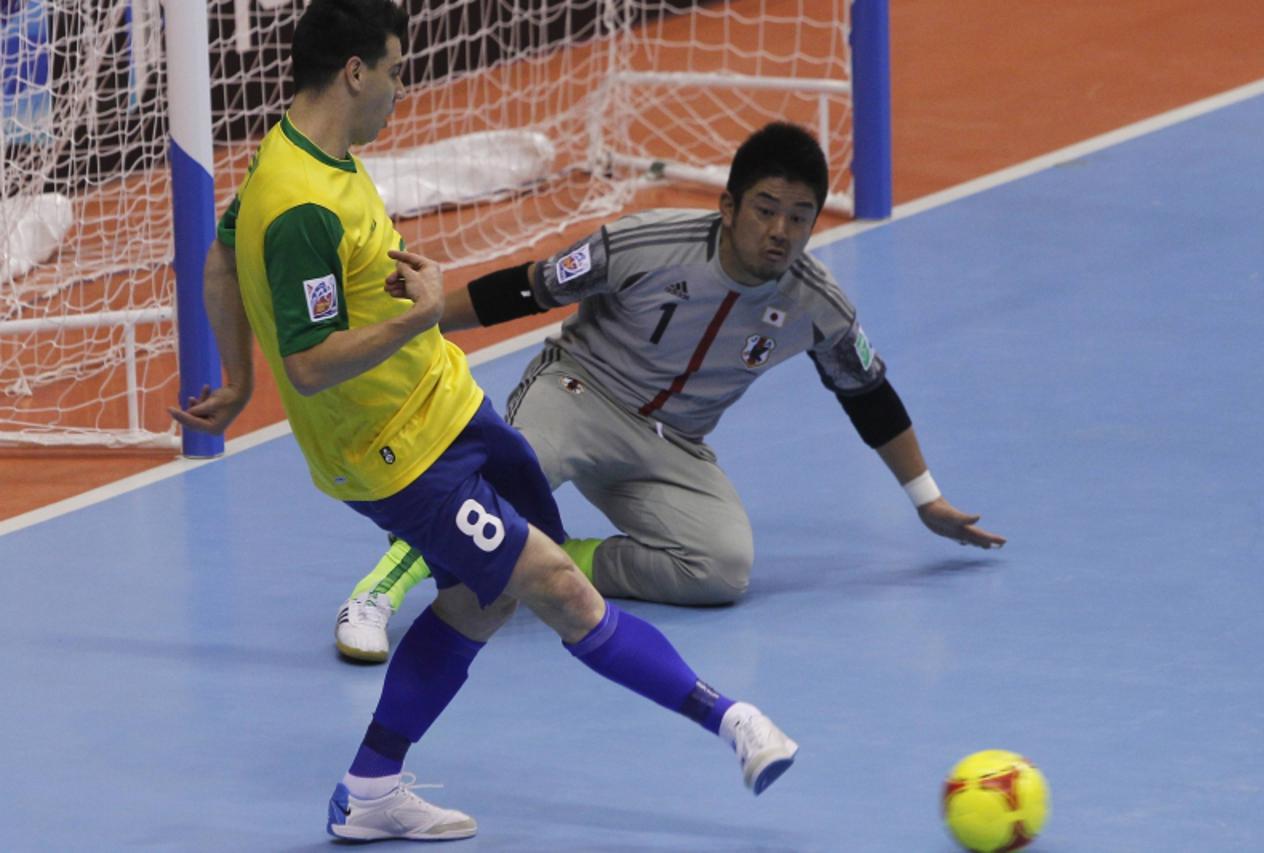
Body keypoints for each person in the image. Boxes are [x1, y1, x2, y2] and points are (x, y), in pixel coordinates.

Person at [169, 0, 798, 841]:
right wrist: (416, 316)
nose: (402, 87)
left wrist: (236, 378)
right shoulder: (301, 206)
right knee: (561, 590)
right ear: (355, 71)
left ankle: (371, 787)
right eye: (394, 69)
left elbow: (219, 251)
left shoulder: (308, 157)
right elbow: (313, 365)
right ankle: (735, 724)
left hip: (449, 410)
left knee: (482, 600)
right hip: (394, 455)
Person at [333, 120, 1008, 662]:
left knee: (723, 566)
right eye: (767, 209)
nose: (781, 230)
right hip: (578, 393)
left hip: (673, 445)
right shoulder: (646, 244)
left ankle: (558, 560)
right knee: (508, 476)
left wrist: (927, 499)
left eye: (800, 217)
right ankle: (375, 593)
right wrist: (416, 320)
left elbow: (868, 393)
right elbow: (528, 287)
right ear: (728, 205)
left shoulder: (815, 303)